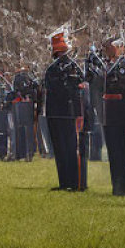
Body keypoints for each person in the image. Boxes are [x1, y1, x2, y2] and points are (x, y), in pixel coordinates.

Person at [43, 28, 89, 191]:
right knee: (66, 149)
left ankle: (73, 183)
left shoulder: (63, 68)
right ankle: (68, 182)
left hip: (62, 113)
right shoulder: (71, 67)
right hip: (64, 113)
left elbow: (76, 91)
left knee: (66, 149)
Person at [101, 37, 125, 196]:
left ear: (119, 47)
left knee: (121, 153)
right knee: (112, 152)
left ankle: (123, 187)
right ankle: (115, 186)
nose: (107, 49)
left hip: (121, 113)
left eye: (110, 46)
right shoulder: (105, 65)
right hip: (108, 113)